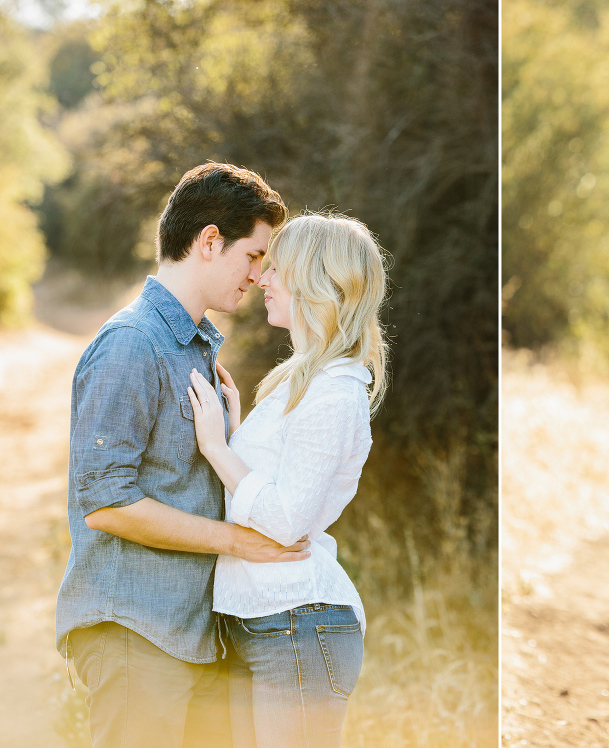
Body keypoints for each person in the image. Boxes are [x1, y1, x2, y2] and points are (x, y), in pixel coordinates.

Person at [55, 163, 309, 748]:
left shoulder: (194, 350)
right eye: (253, 256)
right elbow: (105, 505)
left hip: (192, 635)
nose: (257, 275)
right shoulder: (131, 344)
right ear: (210, 242)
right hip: (134, 632)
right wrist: (240, 542)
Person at [185, 212, 387, 747]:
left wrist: (216, 449)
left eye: (278, 268)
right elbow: (271, 487)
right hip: (259, 621)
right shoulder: (301, 381)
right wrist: (233, 433)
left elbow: (286, 520)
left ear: (317, 281)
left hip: (298, 623)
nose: (262, 279)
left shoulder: (335, 394)